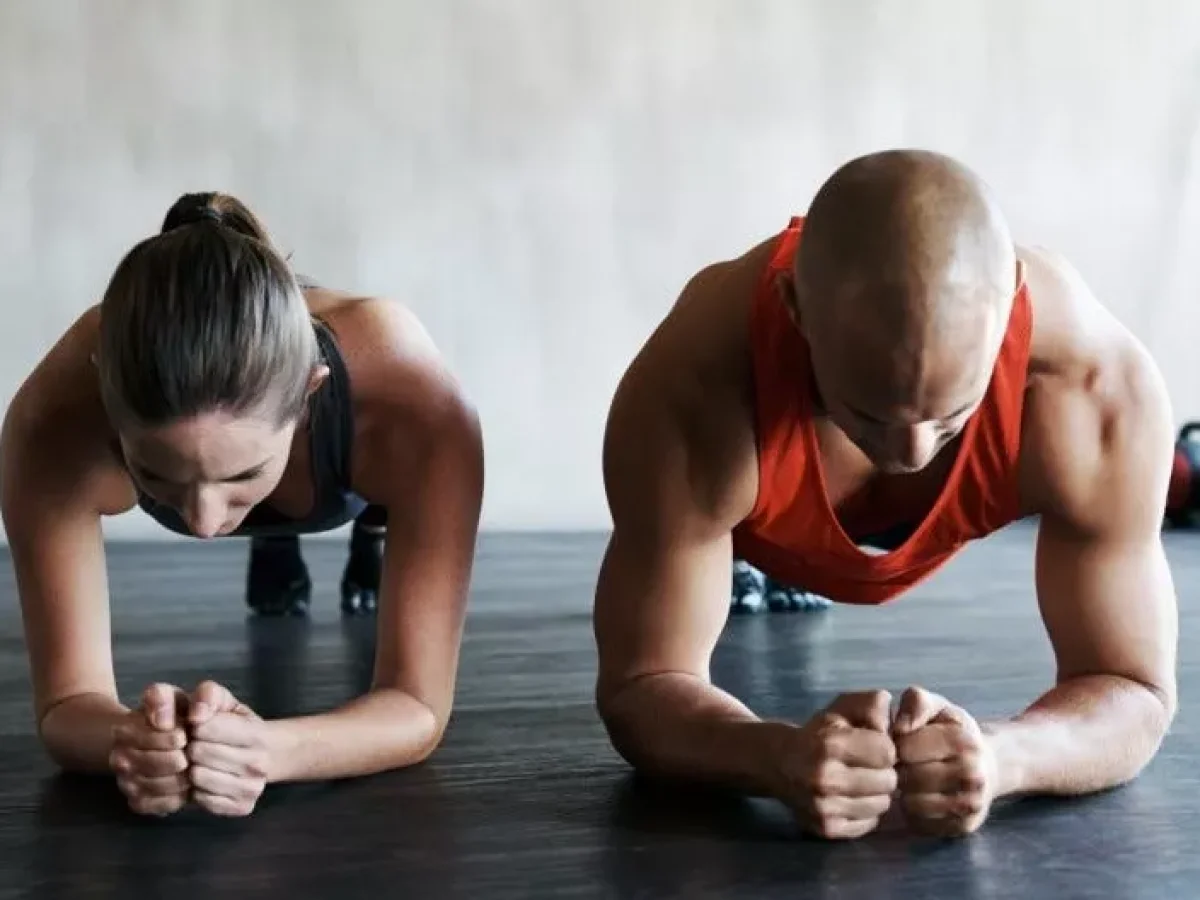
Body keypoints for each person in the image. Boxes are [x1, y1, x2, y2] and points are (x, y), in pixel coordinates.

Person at [593, 149, 1179, 840]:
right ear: (795, 311)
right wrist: (770, 756)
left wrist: (1001, 755)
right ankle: (754, 562)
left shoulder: (1093, 389)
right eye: (869, 414)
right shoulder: (696, 387)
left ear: (1011, 300)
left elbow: (1134, 688)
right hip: (753, 508)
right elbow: (641, 683)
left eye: (953, 415)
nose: (911, 454)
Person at [0, 192, 484, 817]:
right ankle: (268, 521)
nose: (203, 525)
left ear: (312, 391)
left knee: (375, 529)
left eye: (243, 474)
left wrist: (267, 751)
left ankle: (370, 532)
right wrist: (139, 741)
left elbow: (417, 707)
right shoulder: (51, 421)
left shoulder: (413, 402)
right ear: (104, 401)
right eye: (157, 475)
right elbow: (66, 705)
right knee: (267, 545)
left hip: (363, 480)